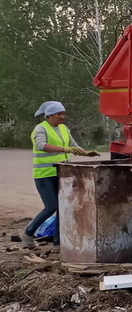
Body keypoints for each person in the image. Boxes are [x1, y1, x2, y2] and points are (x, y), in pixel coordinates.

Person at [21, 101, 90, 251]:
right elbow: (41, 145)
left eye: (63, 113)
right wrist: (65, 149)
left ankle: (58, 243)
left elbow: (73, 144)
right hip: (44, 174)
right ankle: (28, 233)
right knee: (51, 206)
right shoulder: (40, 128)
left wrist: (86, 152)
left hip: (62, 174)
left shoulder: (64, 128)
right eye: (59, 114)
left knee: (63, 207)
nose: (62, 117)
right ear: (49, 115)